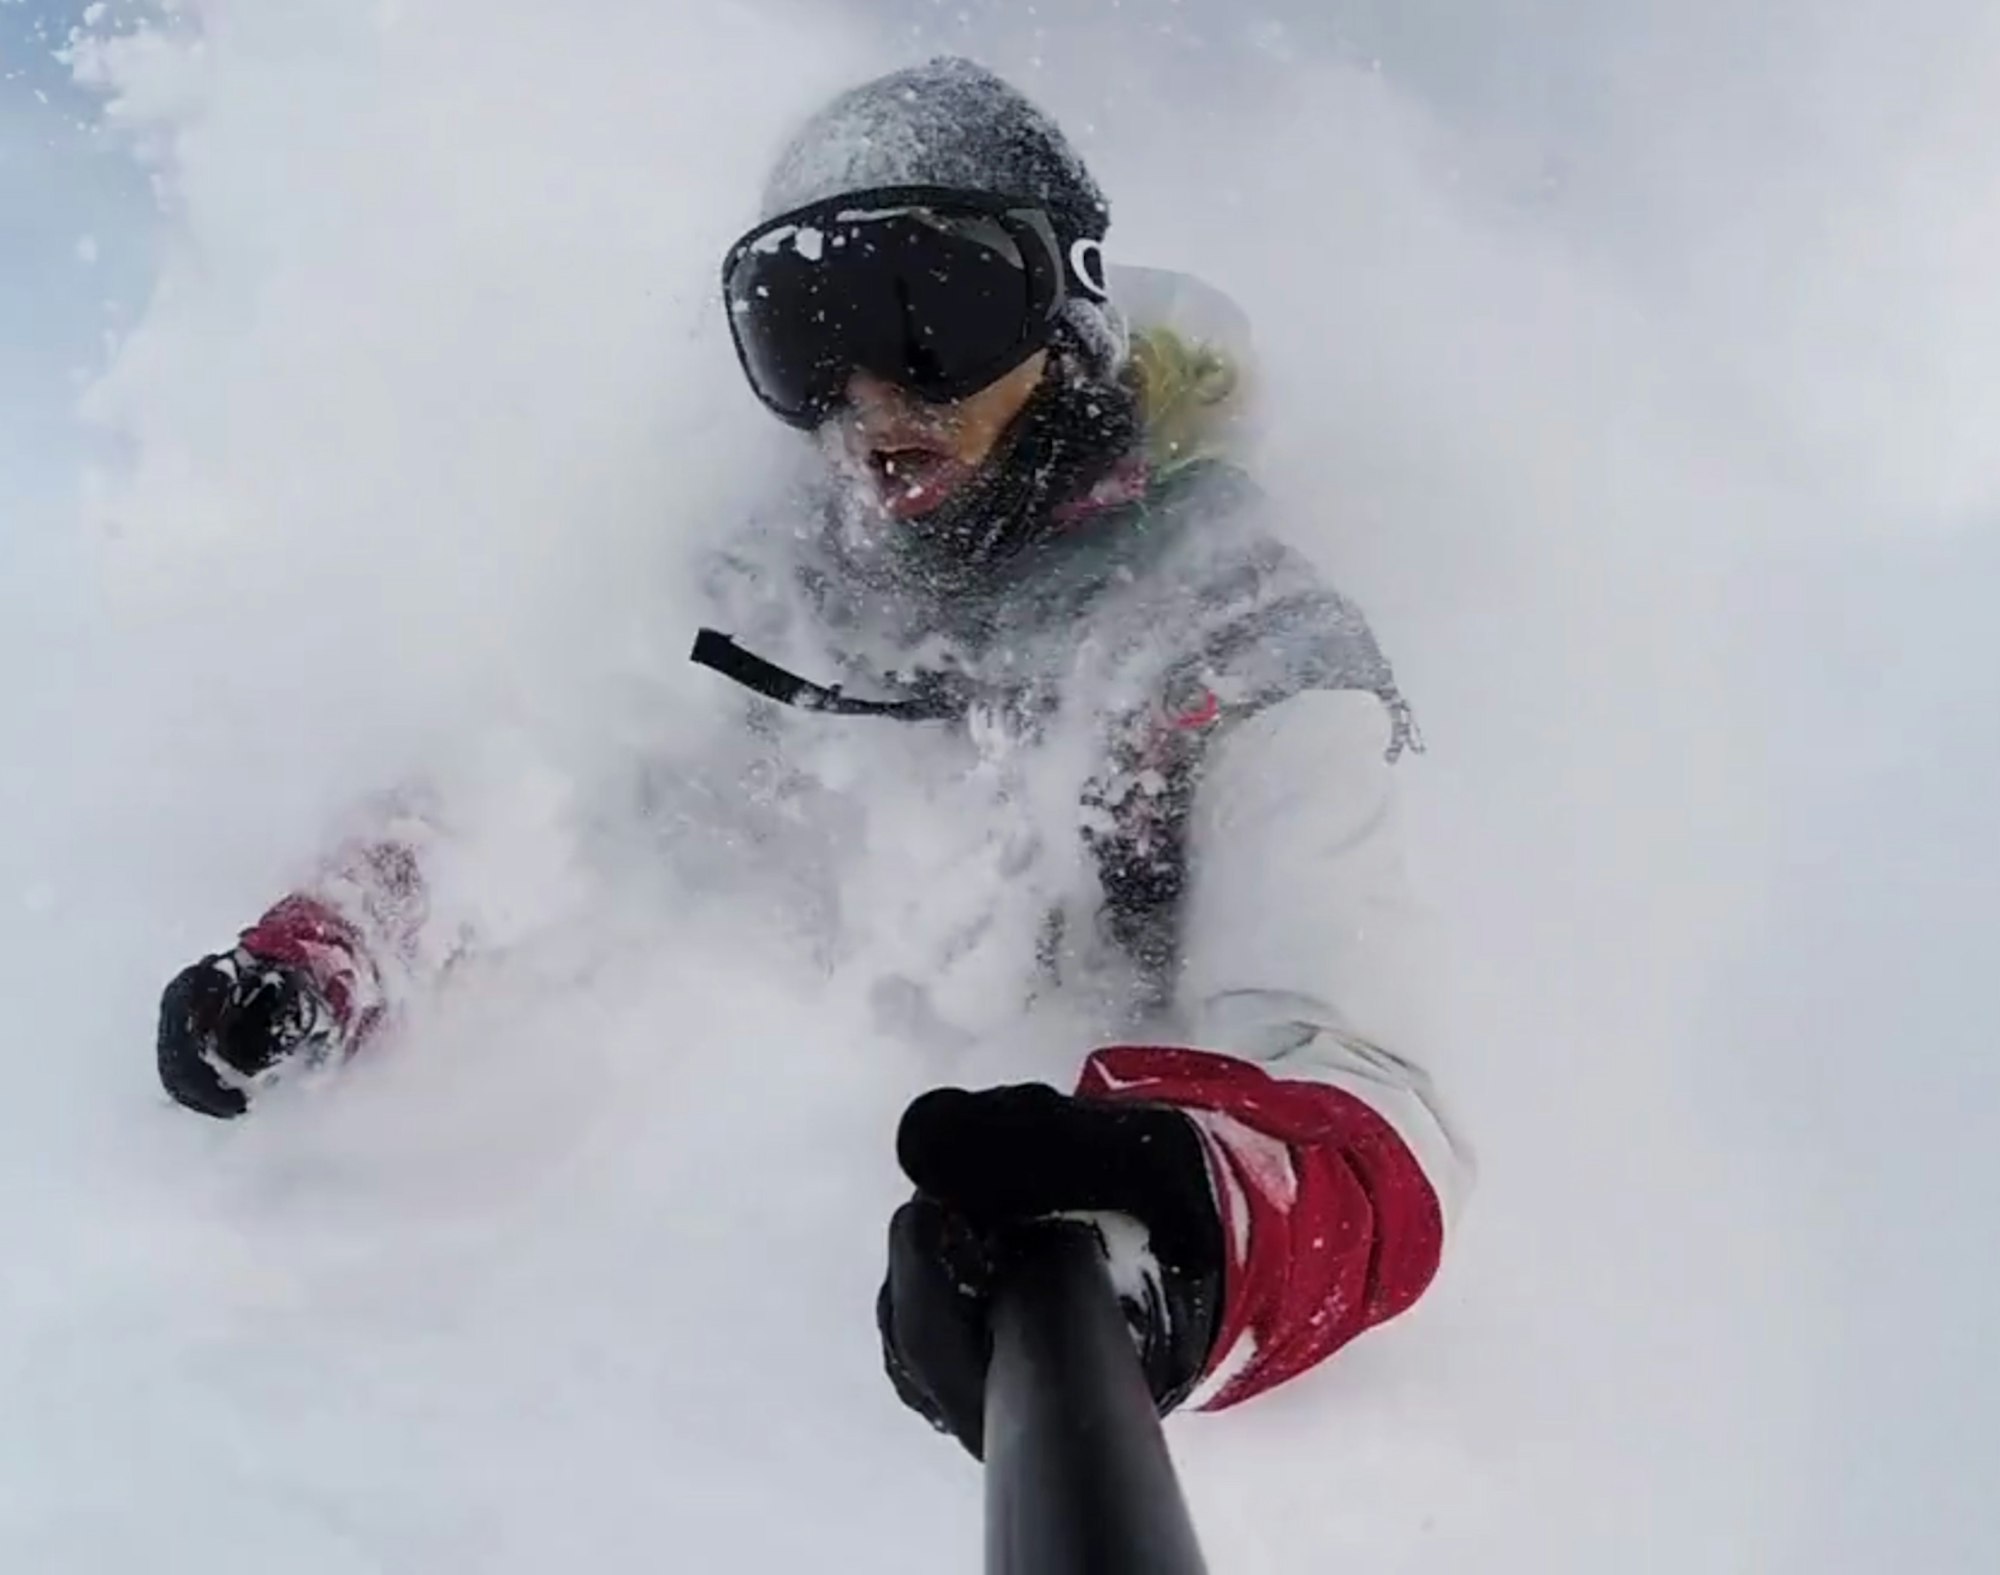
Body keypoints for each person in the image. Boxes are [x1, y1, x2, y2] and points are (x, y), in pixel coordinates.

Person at [156, 58, 1469, 1454]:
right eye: (801, 334)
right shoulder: (773, 583)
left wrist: (1198, 1233)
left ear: (1064, 310)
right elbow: (540, 781)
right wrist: (334, 948)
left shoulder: (1241, 634)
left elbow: (1358, 1091)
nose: (869, 397)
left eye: (935, 312)